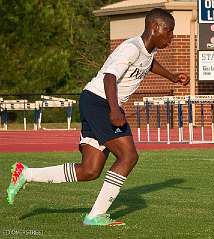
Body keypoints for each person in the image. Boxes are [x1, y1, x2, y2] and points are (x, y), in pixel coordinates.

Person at [7, 8, 189, 226]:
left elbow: (148, 64)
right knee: (128, 156)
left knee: (90, 170)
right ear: (154, 27)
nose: (171, 37)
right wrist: (114, 110)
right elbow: (109, 77)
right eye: (169, 31)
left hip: (96, 103)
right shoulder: (131, 48)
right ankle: (95, 216)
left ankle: (26, 174)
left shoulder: (149, 52)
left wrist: (172, 77)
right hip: (100, 102)